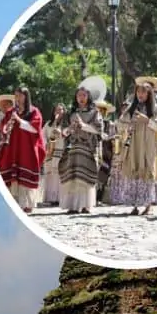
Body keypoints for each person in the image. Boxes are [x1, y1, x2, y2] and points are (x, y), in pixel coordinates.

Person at [111, 81, 157, 216]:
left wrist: (147, 120)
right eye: (138, 92)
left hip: (148, 144)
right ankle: (135, 205)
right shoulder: (131, 107)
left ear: (149, 94)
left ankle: (148, 205)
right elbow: (120, 124)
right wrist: (128, 124)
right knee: (133, 169)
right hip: (134, 144)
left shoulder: (155, 109)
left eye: (144, 92)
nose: (140, 94)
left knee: (147, 170)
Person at [0, 87, 45, 213]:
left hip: (27, 147)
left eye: (20, 96)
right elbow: (4, 127)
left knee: (25, 174)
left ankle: (27, 203)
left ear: (26, 97)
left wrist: (19, 120)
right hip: (13, 147)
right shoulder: (11, 111)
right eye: (16, 96)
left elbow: (35, 129)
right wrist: (5, 127)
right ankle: (14, 202)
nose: (18, 99)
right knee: (12, 174)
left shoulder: (34, 111)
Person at [56, 83, 105, 215]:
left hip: (87, 148)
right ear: (75, 97)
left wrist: (83, 125)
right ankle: (72, 205)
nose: (81, 98)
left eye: (84, 95)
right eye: (79, 95)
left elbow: (98, 129)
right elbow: (63, 132)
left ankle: (85, 205)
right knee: (73, 176)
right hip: (73, 149)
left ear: (88, 97)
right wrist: (70, 128)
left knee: (85, 177)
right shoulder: (69, 113)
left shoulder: (95, 112)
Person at [39, 103, 66, 207]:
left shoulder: (66, 124)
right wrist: (46, 142)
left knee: (59, 174)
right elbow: (42, 135)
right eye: (56, 110)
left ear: (64, 111)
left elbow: (68, 134)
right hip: (50, 151)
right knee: (50, 174)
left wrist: (60, 133)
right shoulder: (49, 124)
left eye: (60, 110)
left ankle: (60, 198)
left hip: (60, 150)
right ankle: (50, 198)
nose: (58, 112)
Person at [95, 100, 116, 204]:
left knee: (103, 174)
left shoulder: (110, 124)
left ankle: (99, 198)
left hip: (106, 152)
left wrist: (108, 138)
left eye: (102, 110)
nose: (99, 112)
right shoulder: (92, 123)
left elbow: (113, 136)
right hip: (94, 149)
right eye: (97, 110)